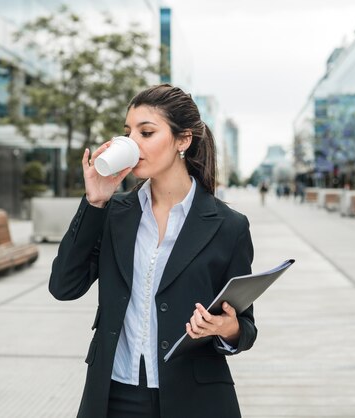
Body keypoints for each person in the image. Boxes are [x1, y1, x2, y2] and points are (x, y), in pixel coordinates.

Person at [49, 84, 256, 418]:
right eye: (127, 132)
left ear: (183, 140)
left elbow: (244, 327)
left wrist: (224, 328)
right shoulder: (113, 213)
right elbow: (63, 286)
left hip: (195, 400)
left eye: (146, 132)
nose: (132, 142)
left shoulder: (228, 226)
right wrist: (95, 202)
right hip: (114, 395)